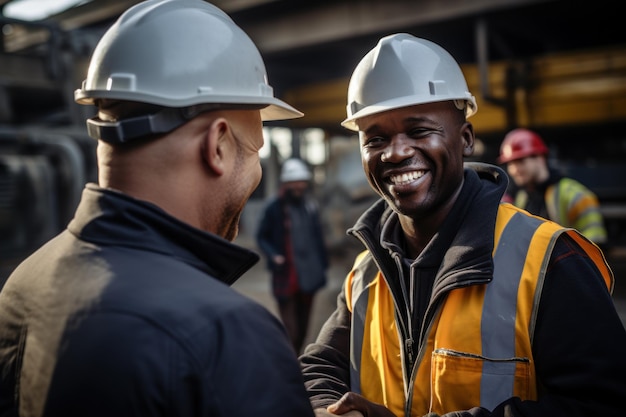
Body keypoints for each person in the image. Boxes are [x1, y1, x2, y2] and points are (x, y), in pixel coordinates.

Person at [0, 1, 315, 416]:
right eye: (255, 148)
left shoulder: (24, 284)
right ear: (218, 145)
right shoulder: (226, 333)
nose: (256, 166)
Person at [299, 33, 626, 417]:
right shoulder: (367, 272)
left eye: (419, 131)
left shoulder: (551, 262)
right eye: (376, 138)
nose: (397, 152)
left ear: (466, 139)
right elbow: (318, 366)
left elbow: (603, 404)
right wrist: (326, 408)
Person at [256, 157, 328, 354]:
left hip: (309, 275)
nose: (298, 186)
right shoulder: (274, 208)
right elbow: (261, 237)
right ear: (286, 183)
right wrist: (274, 255)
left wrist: (322, 267)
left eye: (301, 181)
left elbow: (318, 238)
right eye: (294, 182)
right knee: (291, 331)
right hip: (286, 276)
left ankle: (294, 361)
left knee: (304, 329)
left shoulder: (310, 206)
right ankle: (289, 366)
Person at [498, 127, 608, 247]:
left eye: (520, 161)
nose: (514, 170)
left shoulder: (573, 195)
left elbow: (595, 242)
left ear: (540, 158)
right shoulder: (522, 197)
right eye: (510, 164)